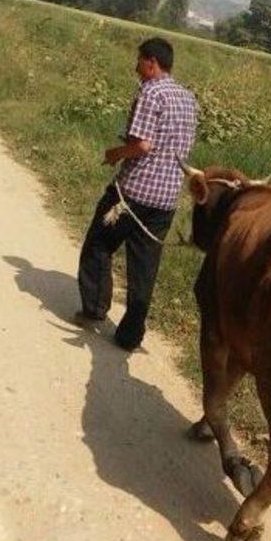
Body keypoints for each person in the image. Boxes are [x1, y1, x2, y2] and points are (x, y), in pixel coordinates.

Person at [75, 36, 197, 350]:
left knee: (98, 246)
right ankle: (130, 335)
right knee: (144, 267)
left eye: (140, 60)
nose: (136, 66)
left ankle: (94, 309)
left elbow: (142, 145)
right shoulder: (187, 98)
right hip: (166, 198)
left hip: (132, 194)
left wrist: (115, 153)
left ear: (152, 62)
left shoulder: (150, 91)